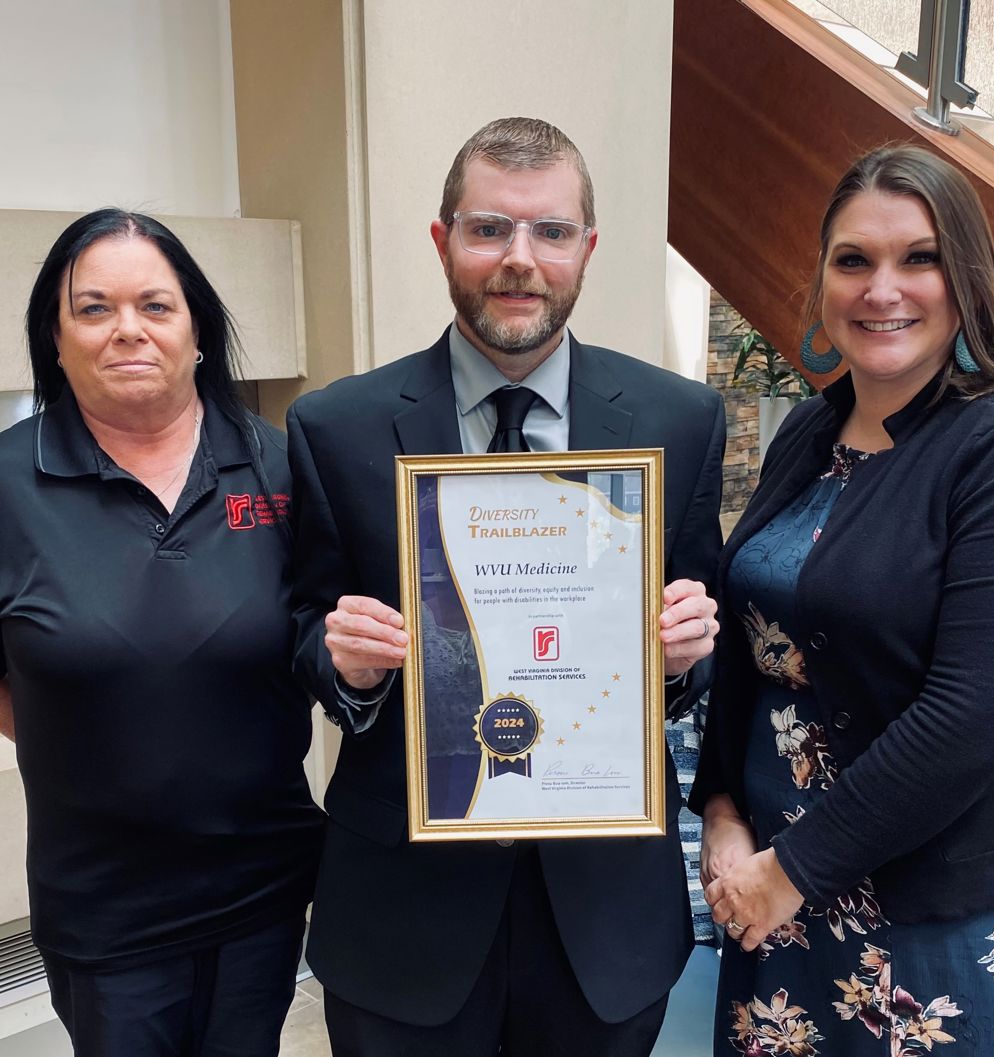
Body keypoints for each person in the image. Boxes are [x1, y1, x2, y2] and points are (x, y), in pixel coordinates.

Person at [287, 116, 726, 1055]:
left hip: (602, 925)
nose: (519, 259)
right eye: (489, 229)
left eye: (550, 232)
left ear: (588, 249)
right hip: (404, 920)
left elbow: (695, 637)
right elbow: (300, 633)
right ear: (444, 240)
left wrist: (687, 654)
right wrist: (349, 670)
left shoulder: (678, 419)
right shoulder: (337, 424)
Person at [691, 144, 994, 1055]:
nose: (884, 289)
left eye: (919, 258)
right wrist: (720, 808)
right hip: (769, 899)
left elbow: (976, 714)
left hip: (917, 914)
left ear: (966, 283)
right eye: (854, 260)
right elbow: (751, 650)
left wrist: (789, 871)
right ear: (822, 285)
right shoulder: (809, 426)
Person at [0, 209, 324, 1057]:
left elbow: (321, 629)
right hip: (104, 902)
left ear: (198, 331)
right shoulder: (7, 484)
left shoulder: (281, 464)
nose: (127, 330)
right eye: (94, 308)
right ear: (57, 338)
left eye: (155, 304)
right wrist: (91, 735)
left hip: (261, 884)